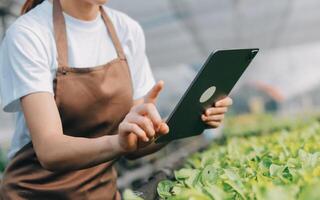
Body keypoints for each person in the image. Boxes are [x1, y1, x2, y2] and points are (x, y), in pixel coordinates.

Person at [0, 0, 233, 199]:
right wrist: (118, 143)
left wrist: (187, 121)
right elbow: (50, 150)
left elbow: (135, 145)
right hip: (34, 194)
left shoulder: (126, 30)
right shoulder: (30, 34)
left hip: (102, 193)